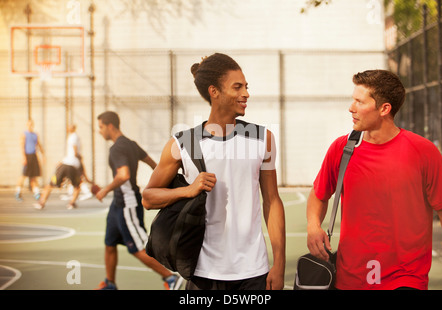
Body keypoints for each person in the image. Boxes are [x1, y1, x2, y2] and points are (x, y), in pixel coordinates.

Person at [142, 53, 286, 290]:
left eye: (246, 87)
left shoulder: (263, 139)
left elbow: (272, 201)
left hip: (253, 271)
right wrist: (188, 191)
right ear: (214, 92)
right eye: (237, 87)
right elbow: (148, 198)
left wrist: (278, 264)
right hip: (202, 274)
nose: (246, 94)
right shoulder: (182, 144)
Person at [307, 69, 442, 290]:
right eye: (352, 100)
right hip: (350, 279)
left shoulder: (423, 152)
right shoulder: (342, 149)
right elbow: (319, 195)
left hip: (406, 277)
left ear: (384, 109)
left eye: (359, 102)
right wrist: (313, 226)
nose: (351, 107)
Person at [95, 111, 183, 290]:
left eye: (101, 127)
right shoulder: (131, 144)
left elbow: (123, 175)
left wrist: (105, 189)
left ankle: (171, 277)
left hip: (128, 203)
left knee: (136, 247)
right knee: (109, 242)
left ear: (110, 126)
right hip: (118, 204)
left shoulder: (116, 148)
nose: (99, 131)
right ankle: (110, 283)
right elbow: (154, 165)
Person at [34, 124, 87, 210]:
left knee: (50, 184)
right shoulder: (75, 137)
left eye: (69, 127)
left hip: (67, 164)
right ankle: (71, 203)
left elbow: (74, 150)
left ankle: (41, 203)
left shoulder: (73, 137)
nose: (67, 128)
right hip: (71, 165)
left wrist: (74, 157)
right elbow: (74, 153)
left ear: (72, 128)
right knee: (77, 186)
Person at [15, 119, 44, 201]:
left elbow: (39, 145)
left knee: (34, 176)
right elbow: (22, 146)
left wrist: (43, 154)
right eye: (29, 124)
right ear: (27, 125)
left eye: (31, 124)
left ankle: (36, 193)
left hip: (34, 156)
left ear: (33, 125)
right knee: (23, 175)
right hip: (27, 156)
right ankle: (18, 192)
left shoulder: (35, 135)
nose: (30, 125)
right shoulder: (24, 134)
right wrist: (24, 157)